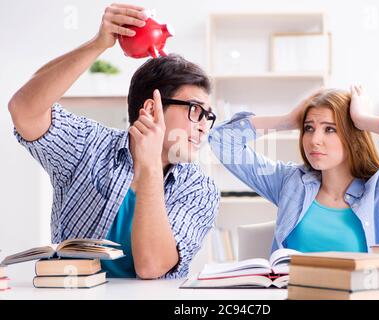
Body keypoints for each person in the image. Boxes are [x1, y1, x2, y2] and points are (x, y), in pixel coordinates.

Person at [8, 3, 220, 279]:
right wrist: (98, 44)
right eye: (195, 110)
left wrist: (150, 168)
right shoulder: (87, 144)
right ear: (152, 109)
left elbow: (152, 267)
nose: (203, 125)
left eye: (208, 116)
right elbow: (24, 110)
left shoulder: (200, 188)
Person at [208, 86, 379, 254]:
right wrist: (289, 120)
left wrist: (363, 119)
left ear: (353, 136)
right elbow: (221, 140)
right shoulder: (289, 183)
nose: (314, 140)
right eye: (309, 128)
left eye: (330, 129)